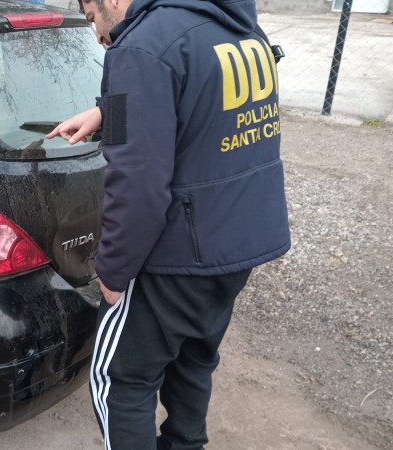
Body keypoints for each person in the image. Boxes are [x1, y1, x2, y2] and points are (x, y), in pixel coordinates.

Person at [46, 1, 290, 449]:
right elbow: (200, 93)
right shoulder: (234, 26)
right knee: (194, 358)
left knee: (120, 378)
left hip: (179, 251)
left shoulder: (141, 46)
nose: (98, 34)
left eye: (90, 15)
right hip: (239, 240)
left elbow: (138, 187)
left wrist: (114, 272)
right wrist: (107, 109)